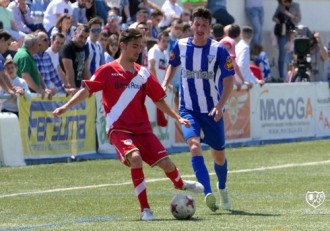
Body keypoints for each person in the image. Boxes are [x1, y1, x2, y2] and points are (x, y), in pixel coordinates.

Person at [52, 28, 204, 221]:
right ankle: (145, 210)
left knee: (167, 164)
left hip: (143, 130)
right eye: (134, 46)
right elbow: (86, 90)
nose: (138, 51)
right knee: (136, 158)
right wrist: (65, 106)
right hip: (119, 129)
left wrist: (176, 117)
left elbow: (158, 99)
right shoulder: (107, 70)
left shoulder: (144, 74)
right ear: (122, 46)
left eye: (140, 47)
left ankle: (180, 183)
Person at [162, 7, 234, 212]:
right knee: (194, 145)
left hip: (212, 111)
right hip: (188, 109)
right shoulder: (181, 45)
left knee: (219, 156)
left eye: (204, 25)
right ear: (191, 25)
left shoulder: (219, 49)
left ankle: (222, 188)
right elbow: (172, 64)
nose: (200, 28)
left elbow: (229, 80)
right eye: (197, 24)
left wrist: (220, 106)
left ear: (210, 27)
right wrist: (166, 82)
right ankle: (208, 193)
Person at [13, 32, 56, 97]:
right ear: (33, 45)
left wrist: (44, 88)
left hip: (30, 96)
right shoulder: (24, 56)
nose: (39, 47)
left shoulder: (28, 55)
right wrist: (38, 90)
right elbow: (25, 76)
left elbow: (37, 73)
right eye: (38, 44)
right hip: (26, 98)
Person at [272, 0, 301, 82]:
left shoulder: (296, 6)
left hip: (292, 33)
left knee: (293, 56)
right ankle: (282, 76)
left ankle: (292, 76)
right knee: (282, 54)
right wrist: (276, 19)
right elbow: (274, 17)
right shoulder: (280, 6)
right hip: (282, 32)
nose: (282, 3)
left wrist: (289, 15)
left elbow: (298, 19)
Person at [148, 31, 170, 127]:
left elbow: (166, 70)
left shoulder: (165, 53)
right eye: (163, 41)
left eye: (167, 41)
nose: (165, 44)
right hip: (153, 85)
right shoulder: (154, 50)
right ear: (158, 41)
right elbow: (151, 67)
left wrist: (167, 83)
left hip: (161, 86)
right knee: (151, 112)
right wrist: (156, 83)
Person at [59, 24, 90, 90]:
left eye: (86, 38)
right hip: (66, 88)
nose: (83, 40)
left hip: (78, 86)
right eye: (81, 36)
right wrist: (73, 89)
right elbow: (69, 70)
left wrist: (89, 87)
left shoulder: (85, 47)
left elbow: (85, 69)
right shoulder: (67, 47)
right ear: (75, 33)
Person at [0, 30, 17, 95]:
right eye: (8, 44)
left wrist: (12, 89)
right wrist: (9, 91)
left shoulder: (1, 56)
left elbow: (3, 74)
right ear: (2, 40)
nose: (8, 47)